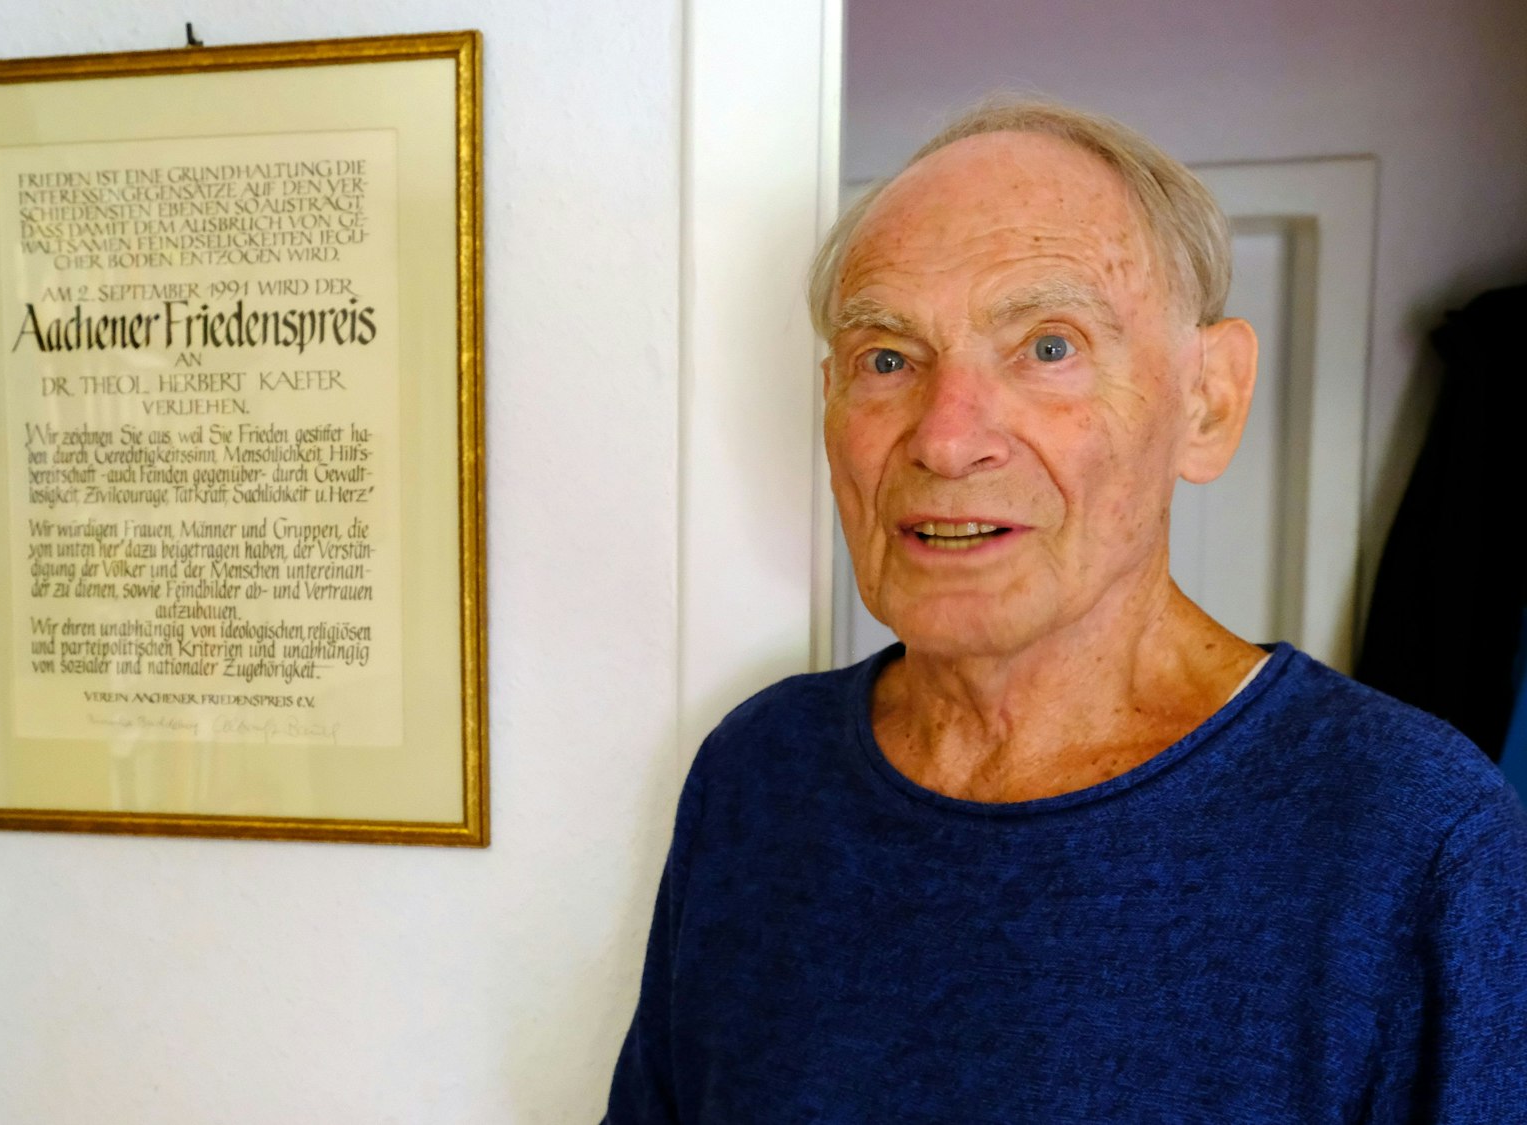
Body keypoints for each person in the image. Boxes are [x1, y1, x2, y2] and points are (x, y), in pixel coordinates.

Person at [604, 98, 1527, 1123]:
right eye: (885, 360)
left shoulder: (1410, 830)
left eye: (1047, 347)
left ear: (1206, 400)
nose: (945, 440)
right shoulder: (756, 771)